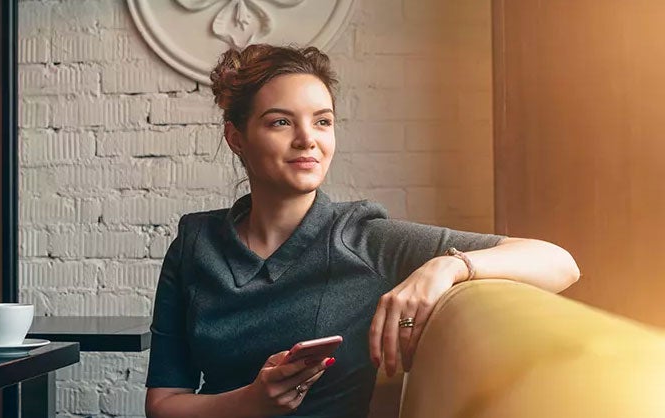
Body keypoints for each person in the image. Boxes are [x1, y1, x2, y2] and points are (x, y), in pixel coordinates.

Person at [144, 44, 580, 418]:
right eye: (280, 122)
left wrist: (446, 268)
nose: (307, 139)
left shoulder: (365, 239)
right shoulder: (195, 244)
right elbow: (163, 403)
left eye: (322, 121)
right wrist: (252, 401)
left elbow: (560, 263)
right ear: (236, 138)